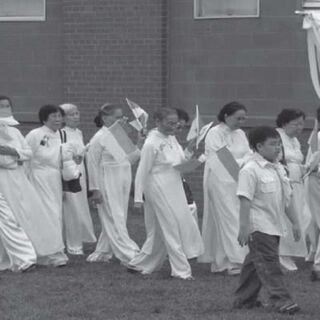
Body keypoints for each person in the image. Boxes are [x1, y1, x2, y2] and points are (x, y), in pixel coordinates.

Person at [128, 108, 204, 280]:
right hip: (157, 186)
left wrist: (191, 151)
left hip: (174, 185)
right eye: (169, 123)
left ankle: (141, 264)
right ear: (158, 122)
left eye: (175, 123)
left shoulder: (172, 138)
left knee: (159, 229)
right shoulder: (150, 143)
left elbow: (178, 161)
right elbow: (142, 171)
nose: (173, 126)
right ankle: (181, 270)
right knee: (171, 227)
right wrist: (138, 198)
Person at [234, 126, 300, 314]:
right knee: (269, 265)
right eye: (273, 144)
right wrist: (244, 227)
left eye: (279, 144)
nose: (278, 148)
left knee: (255, 264)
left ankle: (243, 299)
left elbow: (287, 199)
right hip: (259, 227)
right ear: (259, 146)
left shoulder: (278, 169)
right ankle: (281, 300)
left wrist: (295, 222)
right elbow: (244, 200)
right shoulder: (250, 170)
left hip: (274, 226)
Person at [0, 97, 69, 267]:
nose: (5, 109)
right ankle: (17, 256)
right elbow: (5, 161)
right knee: (8, 218)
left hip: (17, 179)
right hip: (4, 178)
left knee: (27, 214)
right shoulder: (35, 134)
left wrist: (13, 153)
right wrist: (15, 158)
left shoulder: (14, 132)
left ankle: (40, 250)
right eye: (2, 106)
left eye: (8, 105)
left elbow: (27, 152)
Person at [198, 101, 251, 275]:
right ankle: (238, 259)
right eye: (238, 118)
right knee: (229, 218)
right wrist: (243, 163)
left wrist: (244, 164)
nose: (241, 122)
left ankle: (222, 261)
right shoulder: (214, 133)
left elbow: (249, 154)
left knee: (235, 217)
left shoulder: (241, 133)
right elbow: (221, 157)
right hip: (220, 180)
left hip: (239, 179)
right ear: (226, 116)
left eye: (243, 118)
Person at [86, 103, 140, 264]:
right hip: (107, 179)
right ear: (105, 118)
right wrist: (94, 189)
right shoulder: (99, 137)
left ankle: (103, 250)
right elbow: (92, 163)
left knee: (118, 215)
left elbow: (132, 158)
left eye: (122, 116)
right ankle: (129, 253)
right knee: (114, 215)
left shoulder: (120, 135)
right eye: (118, 117)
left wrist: (139, 141)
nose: (122, 120)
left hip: (123, 177)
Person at [25, 105, 68, 267]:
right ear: (44, 119)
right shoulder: (35, 134)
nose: (58, 120)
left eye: (59, 116)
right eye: (54, 116)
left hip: (54, 179)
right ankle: (49, 254)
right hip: (38, 178)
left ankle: (55, 250)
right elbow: (25, 157)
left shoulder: (61, 135)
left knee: (56, 213)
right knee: (47, 214)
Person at [276, 109, 310, 271]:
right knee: (286, 219)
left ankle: (290, 252)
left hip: (297, 184)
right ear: (284, 123)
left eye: (302, 124)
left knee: (301, 218)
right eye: (296, 124)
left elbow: (296, 160)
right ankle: (280, 254)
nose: (299, 127)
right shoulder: (277, 137)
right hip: (283, 183)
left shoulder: (295, 141)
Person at [60, 103, 96, 255]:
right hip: (69, 172)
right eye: (71, 114)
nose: (76, 117)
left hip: (80, 171)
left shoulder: (79, 132)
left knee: (79, 206)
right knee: (70, 207)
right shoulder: (62, 133)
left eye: (77, 113)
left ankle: (78, 239)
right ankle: (72, 244)